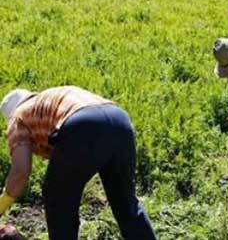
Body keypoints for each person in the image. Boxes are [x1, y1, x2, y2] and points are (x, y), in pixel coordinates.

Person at [0, 86, 157, 240]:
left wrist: (2, 206)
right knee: (124, 201)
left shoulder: (18, 117)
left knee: (58, 199)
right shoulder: (48, 101)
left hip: (83, 124)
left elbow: (20, 172)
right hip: (120, 120)